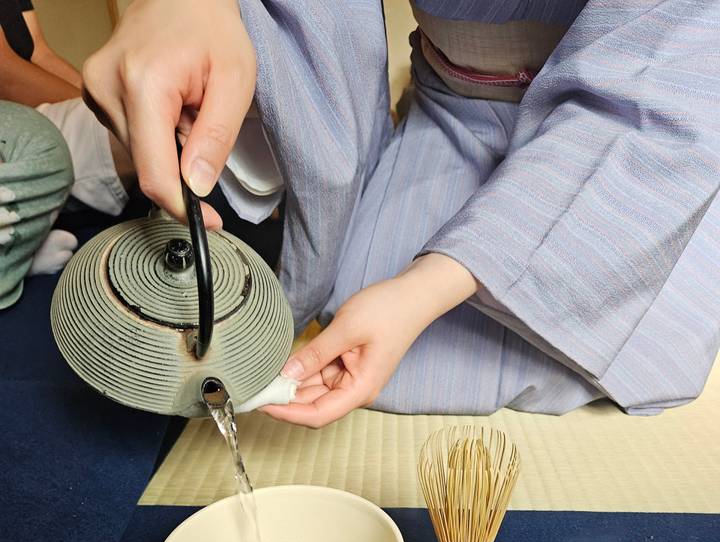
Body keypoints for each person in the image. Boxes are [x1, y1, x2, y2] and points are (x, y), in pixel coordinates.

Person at [81, 0, 720, 426]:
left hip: (624, 138)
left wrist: (426, 288)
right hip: (456, 110)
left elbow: (671, 73)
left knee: (633, 333)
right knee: (367, 332)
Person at [0, 0, 133, 305]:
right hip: (12, 119)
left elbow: (40, 53)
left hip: (31, 117)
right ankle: (15, 259)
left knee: (137, 110)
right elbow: (4, 73)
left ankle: (20, 244)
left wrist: (97, 97)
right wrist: (100, 113)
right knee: (128, 122)